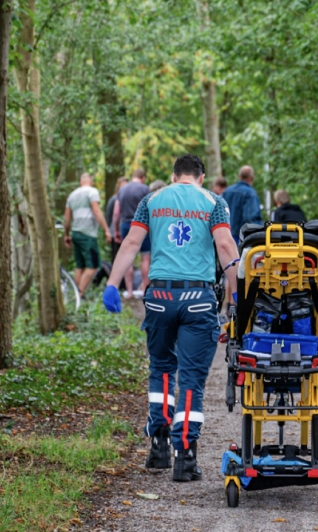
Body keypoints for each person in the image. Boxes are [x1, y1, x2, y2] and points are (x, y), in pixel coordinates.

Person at [103, 154, 240, 482]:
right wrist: (236, 294)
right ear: (201, 177)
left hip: (160, 297)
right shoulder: (214, 202)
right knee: (191, 378)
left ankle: (159, 446)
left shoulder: (152, 199)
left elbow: (132, 242)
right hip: (197, 299)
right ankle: (185, 456)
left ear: (174, 174)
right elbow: (224, 245)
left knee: (161, 369)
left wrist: (111, 284)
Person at [63, 173, 111, 295]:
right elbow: (96, 210)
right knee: (92, 266)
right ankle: (79, 295)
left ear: (80, 182)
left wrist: (67, 235)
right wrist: (106, 229)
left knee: (80, 266)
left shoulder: (72, 195)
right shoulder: (92, 191)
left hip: (76, 233)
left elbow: (67, 218)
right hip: (88, 234)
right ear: (91, 182)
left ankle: (74, 296)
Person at [116, 168, 152, 298]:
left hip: (126, 225)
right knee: (145, 258)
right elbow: (150, 209)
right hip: (143, 225)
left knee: (128, 258)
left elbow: (116, 212)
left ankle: (129, 291)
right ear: (143, 178)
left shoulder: (122, 190)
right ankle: (145, 291)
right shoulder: (144, 189)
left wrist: (116, 230)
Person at [224, 164, 261, 244]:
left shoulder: (226, 192)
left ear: (239, 176)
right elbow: (250, 218)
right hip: (242, 237)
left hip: (226, 235)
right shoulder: (250, 194)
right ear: (252, 178)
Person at [105, 176, 128, 263]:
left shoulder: (129, 198)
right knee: (116, 255)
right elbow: (109, 215)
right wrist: (108, 231)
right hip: (115, 232)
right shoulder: (114, 199)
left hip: (125, 230)